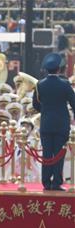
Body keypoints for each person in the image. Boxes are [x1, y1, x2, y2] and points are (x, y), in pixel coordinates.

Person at [32, 53, 75, 191]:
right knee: (58, 154)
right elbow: (73, 103)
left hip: (45, 123)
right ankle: (56, 182)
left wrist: (45, 110)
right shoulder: (65, 84)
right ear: (59, 69)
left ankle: (46, 182)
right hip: (61, 124)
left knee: (47, 154)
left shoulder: (40, 85)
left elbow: (35, 105)